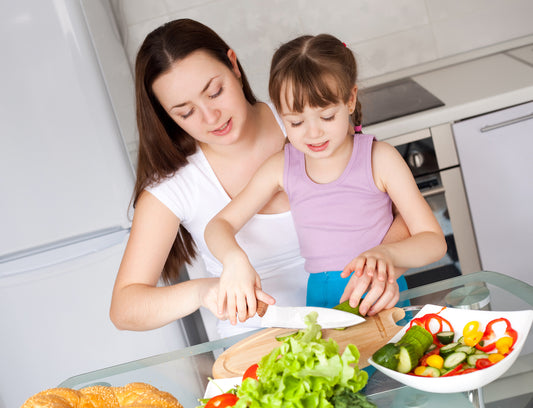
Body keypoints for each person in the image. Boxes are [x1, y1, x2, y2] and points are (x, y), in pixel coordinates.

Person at [109, 19, 410, 339]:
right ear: (167, 116)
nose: (211, 117)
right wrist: (206, 291)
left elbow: (398, 213)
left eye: (215, 92)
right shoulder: (174, 186)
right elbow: (125, 308)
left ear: (234, 67)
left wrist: (380, 267)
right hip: (258, 350)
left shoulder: (304, 118)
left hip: (360, 320)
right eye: (185, 112)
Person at [205, 33, 447, 326]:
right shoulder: (281, 167)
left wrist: (387, 254)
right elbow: (219, 226)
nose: (313, 133)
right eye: (295, 122)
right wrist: (234, 259)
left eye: (327, 117)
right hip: (320, 300)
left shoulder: (380, 159)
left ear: (350, 100)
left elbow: (434, 241)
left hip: (379, 295)